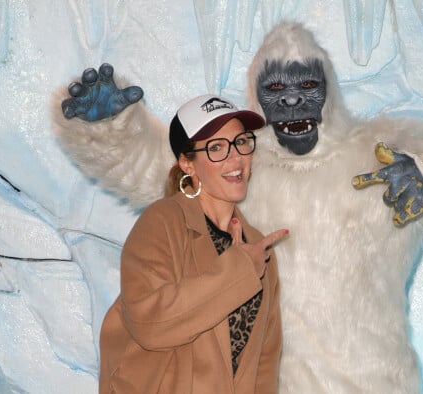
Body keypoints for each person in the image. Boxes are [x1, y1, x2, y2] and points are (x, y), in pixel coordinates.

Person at [98, 94, 289, 394]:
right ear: (188, 163)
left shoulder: (256, 247)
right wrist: (238, 272)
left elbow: (263, 363)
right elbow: (149, 323)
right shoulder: (162, 222)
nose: (236, 158)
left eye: (241, 142)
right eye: (216, 148)